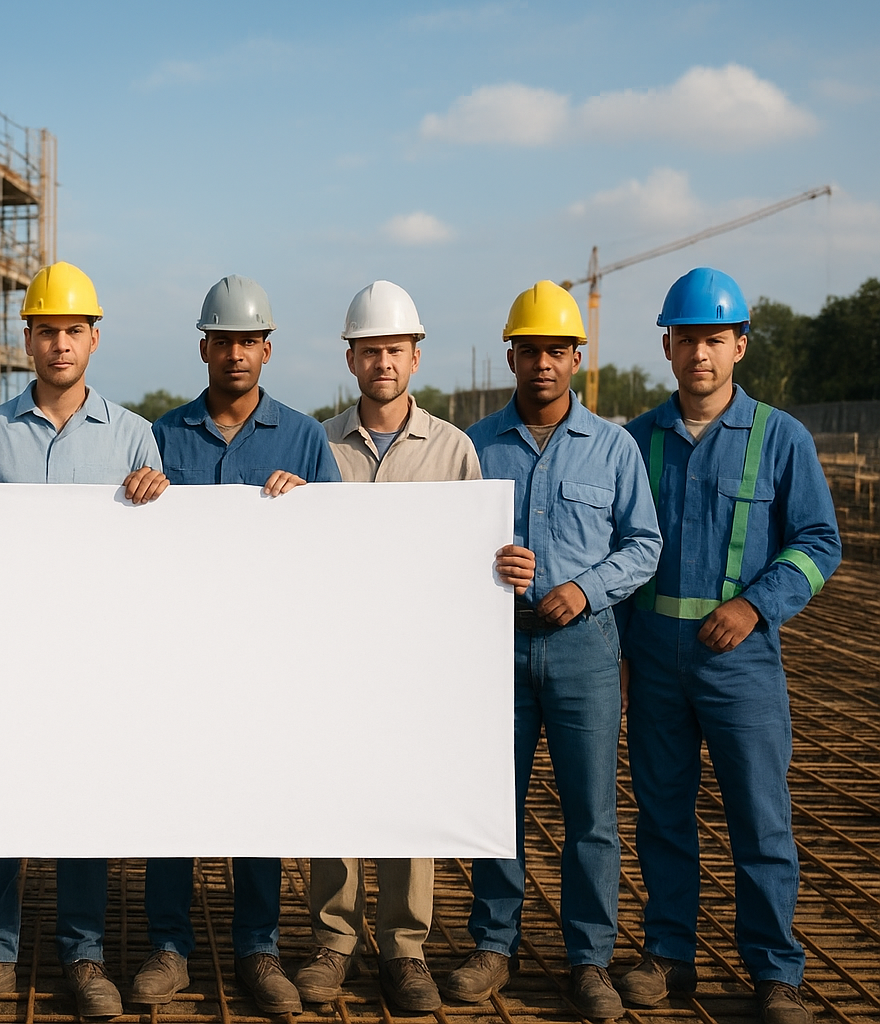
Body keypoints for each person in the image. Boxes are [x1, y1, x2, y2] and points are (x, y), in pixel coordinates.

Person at [0, 261, 167, 1020]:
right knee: (0, 802)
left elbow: (161, 558)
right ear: (25, 339)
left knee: (82, 804)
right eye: (46, 331)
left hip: (96, 659)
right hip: (6, 654)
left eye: (73, 330)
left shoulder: (135, 437)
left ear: (94, 339)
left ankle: (84, 956)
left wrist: (159, 496)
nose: (60, 344)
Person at [616, 269, 840, 1024]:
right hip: (651, 657)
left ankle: (776, 973)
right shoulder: (635, 441)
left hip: (739, 660)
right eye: (686, 340)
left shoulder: (782, 438)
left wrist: (756, 605)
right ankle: (668, 954)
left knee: (759, 816)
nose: (700, 355)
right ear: (667, 347)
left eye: (714, 339)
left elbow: (818, 542)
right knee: (662, 813)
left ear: (740, 345)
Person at [447, 281, 661, 1022]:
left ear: (577, 357)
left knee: (591, 815)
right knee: (494, 806)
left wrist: (587, 589)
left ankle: (589, 959)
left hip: (585, 650)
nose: (543, 363)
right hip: (496, 650)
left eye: (557, 351)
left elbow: (645, 546)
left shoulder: (614, 447)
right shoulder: (474, 446)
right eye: (530, 349)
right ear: (512, 355)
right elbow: (446, 547)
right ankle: (493, 944)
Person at [131, 275, 338, 1017]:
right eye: (224, 341)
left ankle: (259, 947)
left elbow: (339, 546)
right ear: (204, 348)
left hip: (266, 658)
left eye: (249, 341)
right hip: (181, 654)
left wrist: (309, 507)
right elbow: (137, 545)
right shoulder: (164, 436)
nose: (237, 354)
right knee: (175, 799)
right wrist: (138, 495)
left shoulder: (306, 438)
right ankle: (169, 947)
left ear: (267, 349)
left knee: (259, 801)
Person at [295, 280, 478, 1012]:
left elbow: (473, 555)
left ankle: (405, 951)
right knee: (337, 796)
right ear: (351, 358)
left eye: (394, 350)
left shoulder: (454, 450)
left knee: (409, 798)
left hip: (416, 661)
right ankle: (334, 942)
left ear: (415, 355)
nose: (382, 363)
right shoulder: (318, 445)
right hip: (337, 657)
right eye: (369, 351)